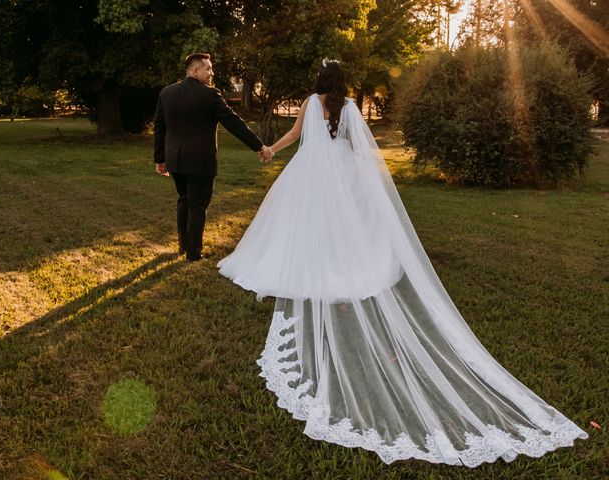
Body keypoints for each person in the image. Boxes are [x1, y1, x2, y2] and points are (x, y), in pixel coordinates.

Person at [217, 59, 588, 466]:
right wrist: (362, 180)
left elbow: (293, 134)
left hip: (310, 174)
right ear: (342, 81)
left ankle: (310, 264)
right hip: (339, 172)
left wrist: (270, 150)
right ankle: (341, 266)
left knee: (307, 223)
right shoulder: (351, 108)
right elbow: (360, 149)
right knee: (344, 228)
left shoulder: (309, 102)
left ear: (320, 80)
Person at [154, 53, 273, 262]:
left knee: (184, 200)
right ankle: (193, 253)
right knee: (197, 205)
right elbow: (233, 123)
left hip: (176, 159)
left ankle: (183, 246)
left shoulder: (167, 93)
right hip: (200, 160)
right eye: (208, 69)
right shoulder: (210, 95)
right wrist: (259, 146)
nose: (212, 73)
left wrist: (160, 159)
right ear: (195, 70)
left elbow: (159, 130)